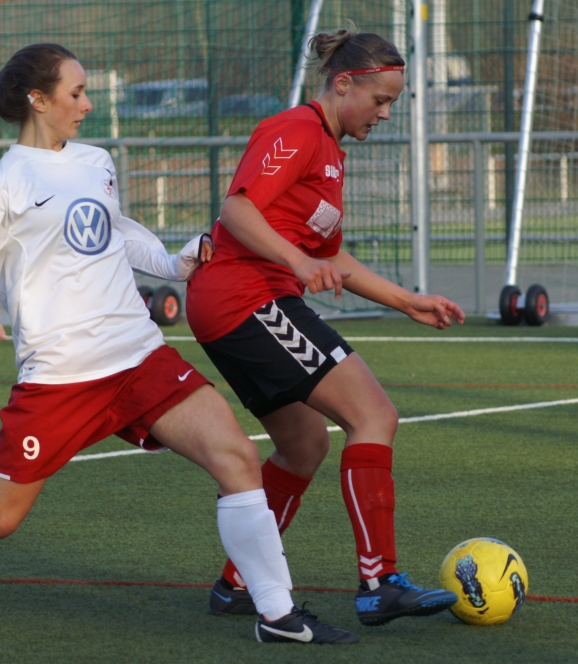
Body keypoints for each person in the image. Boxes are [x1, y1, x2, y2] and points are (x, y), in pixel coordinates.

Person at [0, 43, 357, 645]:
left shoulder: (96, 160)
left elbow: (114, 231)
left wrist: (173, 261)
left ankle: (279, 616)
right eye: (76, 93)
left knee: (238, 458)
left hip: (139, 356)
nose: (87, 104)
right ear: (39, 100)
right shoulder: (7, 181)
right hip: (60, 378)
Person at [187, 29, 467, 627]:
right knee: (374, 416)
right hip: (246, 298)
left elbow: (331, 256)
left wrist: (405, 300)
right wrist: (296, 261)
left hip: (242, 303)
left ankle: (239, 585)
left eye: (393, 103)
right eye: (380, 100)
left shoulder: (331, 153)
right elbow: (238, 207)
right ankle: (380, 582)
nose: (386, 114)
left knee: (304, 444)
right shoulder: (297, 130)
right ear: (344, 84)